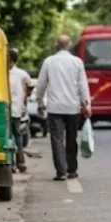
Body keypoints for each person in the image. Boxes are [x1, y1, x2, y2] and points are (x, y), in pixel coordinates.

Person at [35, 35, 90, 181]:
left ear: (56, 44)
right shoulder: (77, 62)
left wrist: (40, 101)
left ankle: (61, 171)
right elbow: (82, 85)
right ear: (70, 45)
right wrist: (86, 104)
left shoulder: (49, 61)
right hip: (72, 107)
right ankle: (72, 170)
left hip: (55, 108)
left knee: (57, 139)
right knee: (72, 138)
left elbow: (41, 84)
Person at [8, 48, 31, 174]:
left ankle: (17, 163)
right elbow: (30, 85)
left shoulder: (19, 74)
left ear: (11, 60)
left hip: (14, 110)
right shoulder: (22, 74)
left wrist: (25, 97)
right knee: (15, 137)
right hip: (11, 110)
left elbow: (30, 86)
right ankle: (17, 163)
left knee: (15, 137)